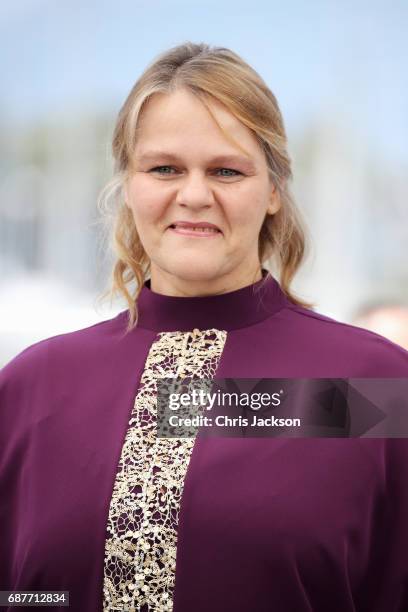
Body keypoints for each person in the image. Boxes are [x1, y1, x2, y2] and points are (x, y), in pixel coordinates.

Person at [1, 41, 408, 612]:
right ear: (129, 185)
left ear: (273, 190)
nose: (193, 195)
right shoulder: (28, 388)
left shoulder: (375, 386)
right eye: (164, 168)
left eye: (226, 170)